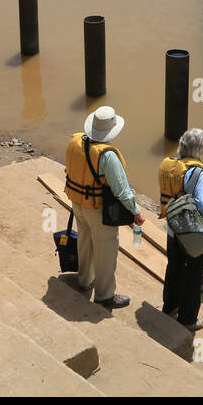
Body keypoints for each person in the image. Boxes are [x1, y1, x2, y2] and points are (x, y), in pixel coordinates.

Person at [64, 106, 143, 310]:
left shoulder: (76, 141)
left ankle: (84, 281)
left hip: (77, 202)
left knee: (84, 240)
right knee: (106, 251)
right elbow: (122, 190)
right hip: (98, 209)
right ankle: (105, 295)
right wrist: (136, 212)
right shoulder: (108, 156)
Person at [159, 128, 203, 331]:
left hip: (172, 230)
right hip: (191, 235)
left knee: (173, 268)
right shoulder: (197, 172)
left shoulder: (168, 164)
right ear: (199, 149)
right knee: (193, 275)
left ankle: (170, 306)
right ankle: (188, 318)